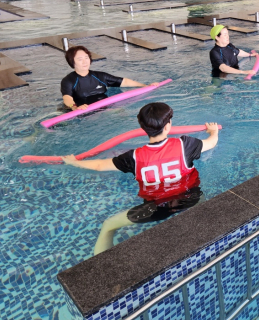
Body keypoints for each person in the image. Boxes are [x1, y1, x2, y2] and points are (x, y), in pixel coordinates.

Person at [62, 102, 219, 255]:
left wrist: (75, 162)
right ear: (167, 126)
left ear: (143, 128)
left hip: (155, 209)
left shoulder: (133, 157)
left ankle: (100, 267)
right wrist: (213, 132)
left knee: (108, 225)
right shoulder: (185, 145)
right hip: (190, 198)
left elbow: (99, 166)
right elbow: (211, 143)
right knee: (202, 207)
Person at [61, 45, 157, 111]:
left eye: (86, 58)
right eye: (80, 59)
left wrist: (145, 86)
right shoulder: (68, 80)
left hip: (103, 109)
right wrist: (74, 107)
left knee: (122, 113)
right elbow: (67, 98)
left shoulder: (100, 76)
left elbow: (124, 82)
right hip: (81, 111)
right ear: (72, 62)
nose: (85, 61)